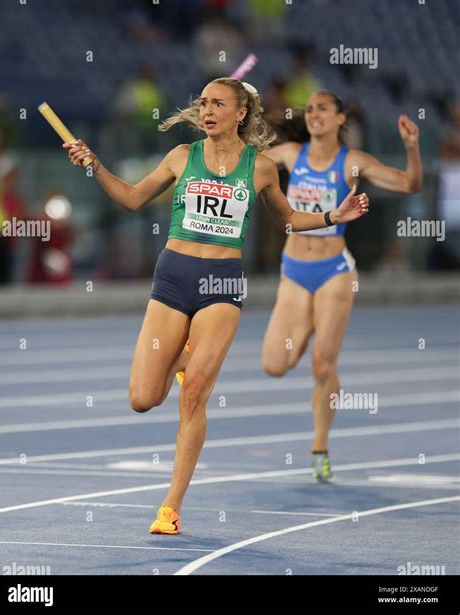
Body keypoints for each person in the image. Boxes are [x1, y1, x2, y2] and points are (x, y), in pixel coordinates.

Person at [63, 78, 369, 534]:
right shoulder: (181, 158)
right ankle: (184, 357)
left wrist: (331, 217)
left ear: (240, 113)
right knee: (143, 398)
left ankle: (170, 506)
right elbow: (130, 198)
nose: (207, 110)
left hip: (221, 284)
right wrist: (94, 166)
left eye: (218, 104)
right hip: (173, 277)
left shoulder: (261, 167)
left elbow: (286, 219)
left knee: (194, 395)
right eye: (203, 103)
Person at [261, 91, 422, 482]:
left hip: (334, 271)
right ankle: (312, 325)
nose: (314, 114)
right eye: (310, 109)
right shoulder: (288, 154)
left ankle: (320, 449)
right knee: (275, 364)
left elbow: (409, 185)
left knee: (323, 364)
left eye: (323, 109)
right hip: (294, 269)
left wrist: (412, 148)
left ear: (339, 120)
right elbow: (244, 160)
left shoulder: (351, 162)